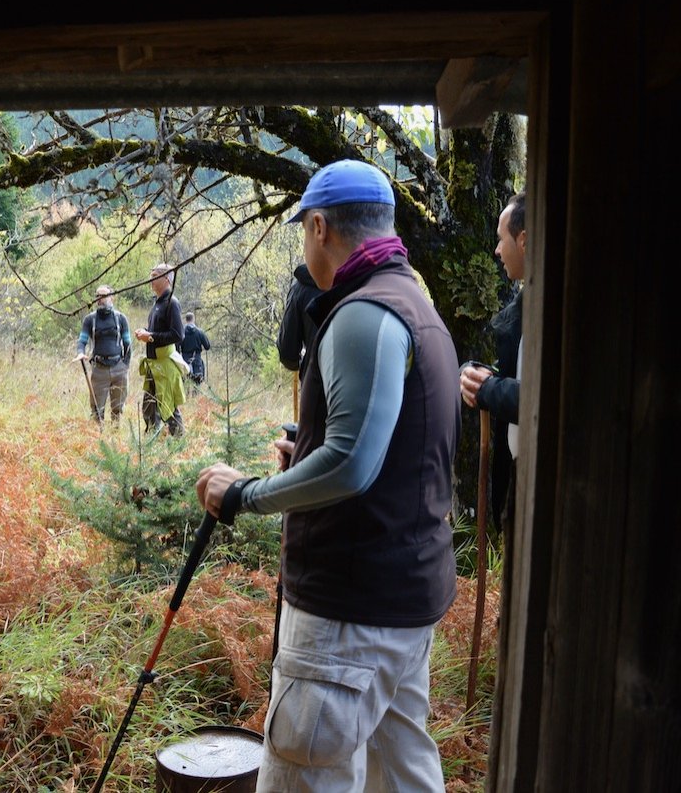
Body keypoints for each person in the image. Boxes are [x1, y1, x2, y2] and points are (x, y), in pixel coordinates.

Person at [195, 159, 460, 791]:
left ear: (319, 227)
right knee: (402, 775)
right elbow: (392, 448)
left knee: (307, 776)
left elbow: (349, 462)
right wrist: (306, 448)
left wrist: (245, 495)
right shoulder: (416, 306)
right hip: (404, 600)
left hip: (347, 615)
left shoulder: (363, 314)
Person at [459, 190, 525, 531]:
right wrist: (484, 377)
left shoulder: (553, 311)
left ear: (524, 240)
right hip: (519, 476)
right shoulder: (525, 308)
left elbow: (539, 397)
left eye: (502, 239)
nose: (497, 250)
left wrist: (490, 389)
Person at [134, 262, 187, 437]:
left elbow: (178, 335)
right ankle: (150, 447)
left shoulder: (172, 302)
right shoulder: (157, 303)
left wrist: (150, 337)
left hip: (165, 366)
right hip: (153, 366)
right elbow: (158, 330)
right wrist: (145, 332)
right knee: (149, 408)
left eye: (154, 276)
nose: (150, 280)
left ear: (166, 278)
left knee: (169, 407)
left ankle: (180, 444)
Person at [74, 284, 132, 423]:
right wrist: (80, 353)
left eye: (104, 296)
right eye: (98, 296)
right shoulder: (90, 320)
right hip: (99, 370)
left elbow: (128, 344)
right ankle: (97, 439)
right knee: (96, 410)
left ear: (112, 297)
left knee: (118, 409)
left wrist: (125, 365)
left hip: (119, 368)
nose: (100, 299)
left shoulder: (121, 318)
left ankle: (115, 437)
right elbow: (82, 341)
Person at [276, 261, 323, 377]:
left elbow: (288, 354)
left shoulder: (300, 287)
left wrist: (302, 361)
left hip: (316, 385)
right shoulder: (365, 280)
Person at [179, 311, 211, 385]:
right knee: (197, 382)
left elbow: (176, 347)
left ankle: (186, 395)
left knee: (185, 381)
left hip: (185, 360)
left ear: (186, 320)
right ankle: (195, 396)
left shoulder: (181, 333)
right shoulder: (200, 332)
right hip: (197, 358)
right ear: (193, 319)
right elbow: (207, 346)